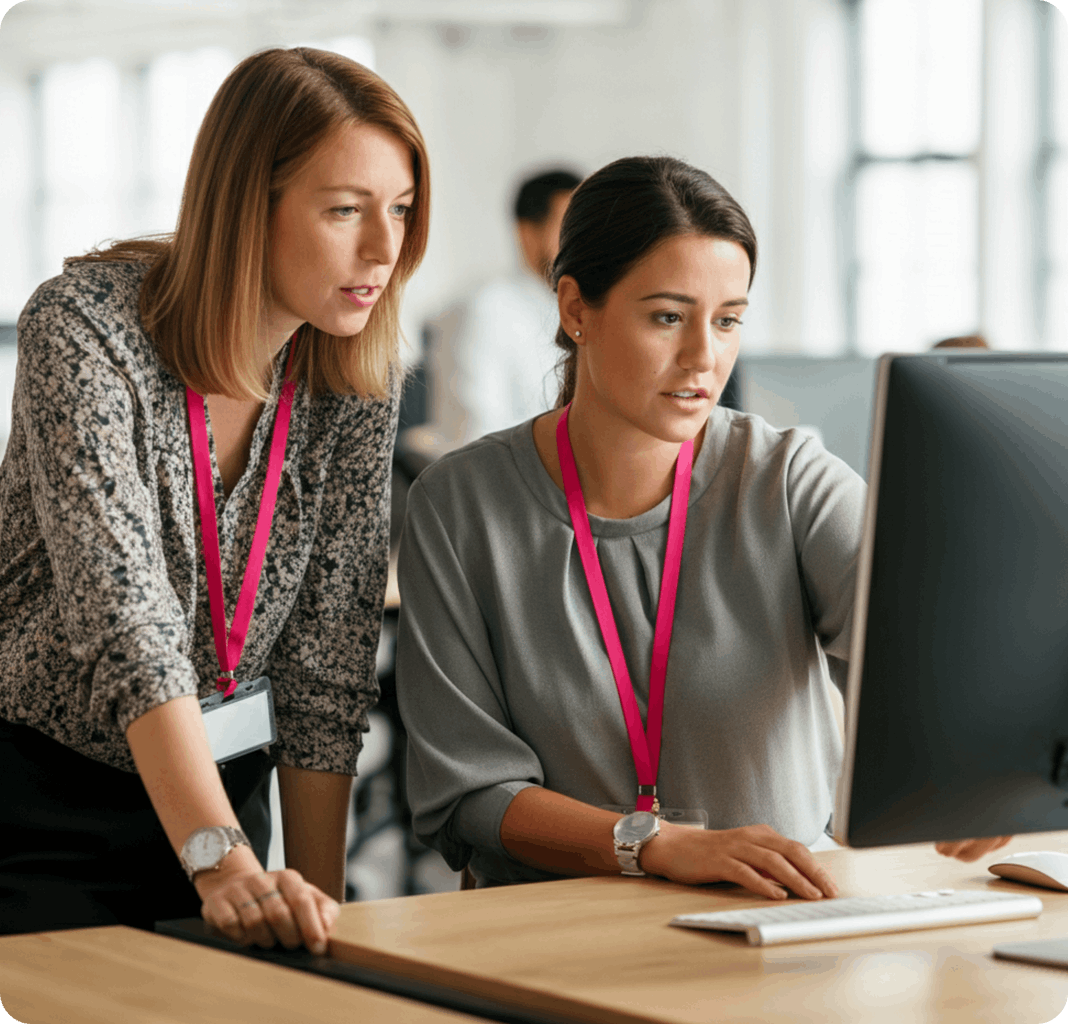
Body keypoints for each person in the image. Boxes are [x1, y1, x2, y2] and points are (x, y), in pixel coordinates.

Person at [395, 155, 1008, 898]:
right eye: (667, 317)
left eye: (727, 321)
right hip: (549, 925)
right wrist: (653, 845)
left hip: (774, 917)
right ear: (575, 309)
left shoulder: (786, 478)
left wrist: (976, 755)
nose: (703, 357)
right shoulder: (457, 506)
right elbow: (467, 794)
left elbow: (922, 650)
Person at [0, 47, 430, 951]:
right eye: (346, 210)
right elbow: (129, 624)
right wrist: (220, 860)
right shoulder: (84, 331)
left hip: (228, 797)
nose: (385, 250)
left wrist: (316, 910)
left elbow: (326, 656)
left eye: (398, 210)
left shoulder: (355, 370)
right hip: (44, 803)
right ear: (248, 205)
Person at [420, 168, 581, 448]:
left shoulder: (581, 311)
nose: (583, 243)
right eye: (569, 228)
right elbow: (476, 438)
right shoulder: (487, 309)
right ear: (527, 232)